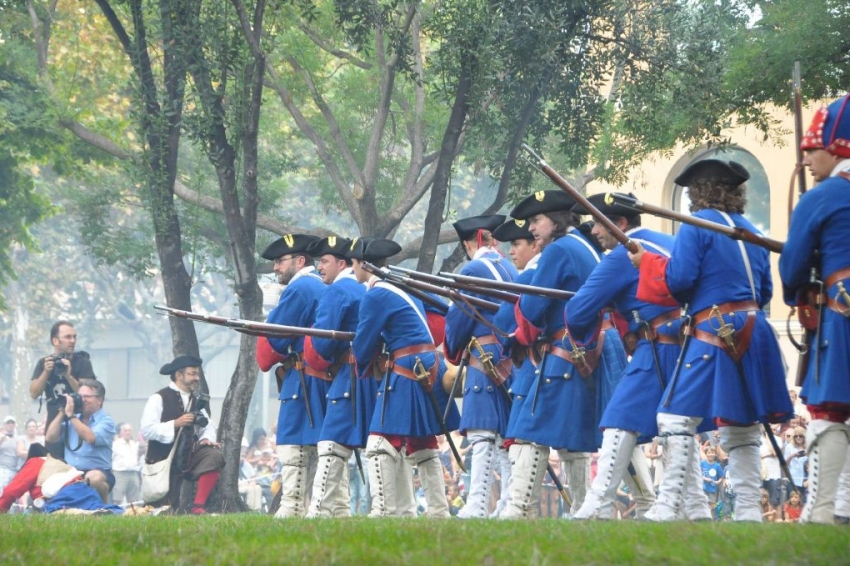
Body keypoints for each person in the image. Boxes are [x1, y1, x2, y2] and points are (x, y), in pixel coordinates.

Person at [629, 159, 794, 521]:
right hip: (755, 327)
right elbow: (764, 290)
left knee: (674, 419)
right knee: (744, 425)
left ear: (699, 193)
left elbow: (680, 280)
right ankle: (749, 511)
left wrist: (647, 265)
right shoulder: (752, 231)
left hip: (713, 327)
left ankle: (669, 506)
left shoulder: (695, 227)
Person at [568, 193, 699, 521]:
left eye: (599, 223)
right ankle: (696, 510)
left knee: (619, 419)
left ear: (621, 224)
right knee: (679, 430)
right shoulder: (670, 241)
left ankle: (595, 506)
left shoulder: (622, 255)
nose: (595, 231)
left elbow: (577, 310)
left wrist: (605, 311)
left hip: (658, 347)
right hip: (691, 343)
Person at [502, 190, 626, 519]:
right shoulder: (585, 246)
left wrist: (520, 329)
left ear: (556, 221)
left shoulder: (559, 250)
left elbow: (532, 307)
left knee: (530, 429)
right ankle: (588, 512)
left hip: (567, 348)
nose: (531, 229)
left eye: (537, 221)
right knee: (577, 438)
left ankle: (518, 510)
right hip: (592, 347)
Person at [779, 94, 850, 524]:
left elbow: (791, 268)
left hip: (841, 313)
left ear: (838, 146)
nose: (806, 158)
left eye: (813, 148)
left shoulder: (825, 196)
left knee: (832, 409)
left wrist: (799, 294)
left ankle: (821, 511)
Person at [351, 238, 457, 518]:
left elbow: (363, 345)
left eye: (353, 263)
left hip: (407, 366)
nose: (353, 270)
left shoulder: (375, 295)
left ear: (364, 264)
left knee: (378, 442)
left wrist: (363, 358)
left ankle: (384, 511)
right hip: (427, 362)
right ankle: (438, 511)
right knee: (422, 442)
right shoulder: (400, 286)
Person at [445, 214, 518, 519]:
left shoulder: (474, 268)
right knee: (500, 435)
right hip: (508, 357)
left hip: (483, 355)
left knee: (481, 433)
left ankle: (477, 504)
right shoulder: (509, 267)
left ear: (470, 242)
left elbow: (459, 322)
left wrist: (452, 343)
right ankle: (506, 503)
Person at [302, 235, 376, 518]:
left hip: (349, 374)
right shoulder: (361, 289)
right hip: (368, 373)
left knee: (331, 443)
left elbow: (321, 343)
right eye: (318, 261)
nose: (319, 267)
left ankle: (319, 511)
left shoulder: (337, 291)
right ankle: (344, 510)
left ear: (341, 263)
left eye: (324, 261)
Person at [256, 233, 328, 518]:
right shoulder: (319, 285)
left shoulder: (300, 289)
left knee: (293, 444)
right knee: (315, 447)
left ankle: (292, 506)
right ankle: (314, 507)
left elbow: (272, 344)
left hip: (303, 377)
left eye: (280, 261)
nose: (276, 268)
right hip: (316, 375)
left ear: (299, 261)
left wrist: (270, 319)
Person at [491, 218, 542, 517]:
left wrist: (507, 342)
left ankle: (520, 509)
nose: (512, 251)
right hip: (539, 358)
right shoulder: (532, 272)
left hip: (535, 361)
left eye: (518, 244)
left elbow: (505, 323)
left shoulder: (531, 274)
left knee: (524, 435)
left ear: (534, 244)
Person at [140, 355, 224, 514]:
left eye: (197, 374)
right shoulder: (158, 398)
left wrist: (206, 439)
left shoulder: (196, 401)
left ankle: (198, 506)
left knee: (214, 455)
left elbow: (208, 426)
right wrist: (175, 424)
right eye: (192, 374)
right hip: (164, 461)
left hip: (187, 459)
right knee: (162, 511)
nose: (197, 378)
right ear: (179, 375)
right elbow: (147, 429)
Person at [30, 321, 96, 459]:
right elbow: (34, 393)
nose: (72, 341)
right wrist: (46, 372)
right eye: (68, 337)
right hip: (55, 422)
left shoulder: (83, 363)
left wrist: (68, 375)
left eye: (74, 337)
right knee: (55, 468)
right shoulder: (44, 363)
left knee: (78, 468)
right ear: (55, 340)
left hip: (78, 423)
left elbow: (88, 395)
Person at [44, 379, 116, 502]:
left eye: (87, 396)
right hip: (71, 471)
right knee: (47, 477)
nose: (82, 400)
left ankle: (103, 507)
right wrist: (62, 411)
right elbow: (50, 437)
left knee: (94, 478)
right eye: (80, 396)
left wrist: (71, 416)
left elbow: (90, 437)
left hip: (99, 471)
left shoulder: (106, 421)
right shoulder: (74, 419)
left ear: (100, 400)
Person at [0, 449, 123, 515]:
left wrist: (1, 510)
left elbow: (11, 491)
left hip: (65, 495)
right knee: (101, 508)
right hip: (85, 489)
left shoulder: (34, 463)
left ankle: (85, 514)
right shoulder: (59, 463)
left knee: (57, 512)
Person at [112, 423, 143, 504]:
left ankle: (131, 515)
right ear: (121, 432)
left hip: (133, 473)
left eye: (129, 430)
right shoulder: (115, 444)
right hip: (119, 474)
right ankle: (116, 515)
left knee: (133, 499)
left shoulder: (134, 444)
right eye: (125, 430)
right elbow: (110, 458)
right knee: (117, 498)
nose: (127, 433)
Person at [700, 445, 725, 520]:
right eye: (709, 452)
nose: (710, 454)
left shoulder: (717, 465)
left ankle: (712, 519)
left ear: (715, 454)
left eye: (712, 452)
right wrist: (704, 478)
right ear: (706, 454)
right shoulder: (702, 463)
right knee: (703, 504)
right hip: (703, 488)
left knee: (713, 505)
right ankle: (704, 519)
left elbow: (721, 476)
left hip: (712, 489)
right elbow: (698, 474)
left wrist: (718, 481)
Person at [0, 416, 19, 492]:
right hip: (3, 469)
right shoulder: (1, 437)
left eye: (12, 423)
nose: (10, 425)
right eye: (8, 423)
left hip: (16, 470)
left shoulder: (18, 438)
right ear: (4, 425)